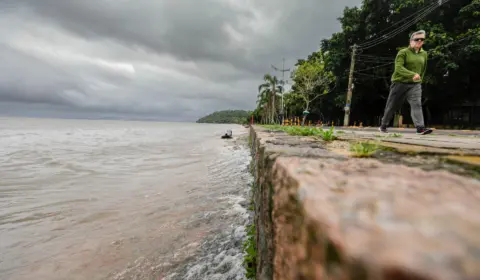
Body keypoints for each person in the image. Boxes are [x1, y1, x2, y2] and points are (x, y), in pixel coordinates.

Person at [379, 30, 433, 135]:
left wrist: (419, 79)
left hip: (415, 84)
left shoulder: (424, 54)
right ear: (411, 41)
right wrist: (412, 75)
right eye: (417, 39)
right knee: (392, 105)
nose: (420, 41)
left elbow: (423, 69)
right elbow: (398, 68)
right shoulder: (403, 53)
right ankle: (383, 125)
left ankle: (420, 128)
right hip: (399, 83)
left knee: (417, 104)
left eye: (422, 39)